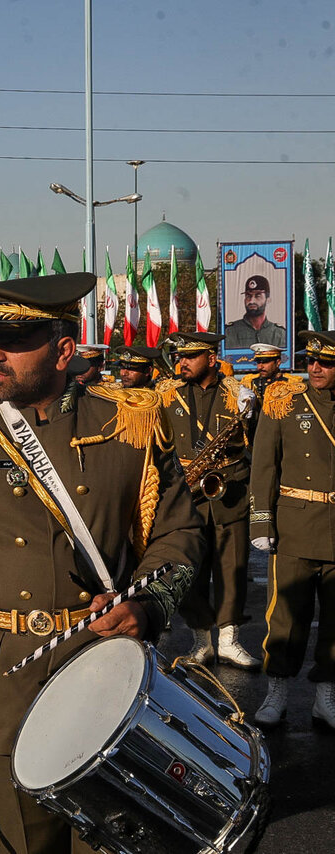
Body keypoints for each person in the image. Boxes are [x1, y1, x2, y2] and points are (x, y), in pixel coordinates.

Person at [0, 272, 204, 854]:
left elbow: (179, 532)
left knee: (110, 838)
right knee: (20, 839)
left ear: (63, 350)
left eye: (10, 343)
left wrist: (148, 605)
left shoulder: (127, 423)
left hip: (101, 669)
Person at [156, 332, 259, 668]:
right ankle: (202, 638)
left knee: (232, 568)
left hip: (228, 491)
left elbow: (257, 445)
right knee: (188, 571)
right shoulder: (166, 394)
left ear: (211, 359)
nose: (181, 363)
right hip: (187, 493)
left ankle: (229, 640)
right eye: (179, 357)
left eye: (190, 356)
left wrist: (251, 414)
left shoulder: (238, 393)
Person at [249, 331, 335, 729]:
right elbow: (264, 463)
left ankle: (325, 696)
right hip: (296, 522)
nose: (315, 368)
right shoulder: (285, 401)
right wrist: (261, 519)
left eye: (326, 362)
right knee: (286, 615)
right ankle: (278, 690)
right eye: (311, 360)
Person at [224, 275, 287, 350]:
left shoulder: (279, 333)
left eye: (258, 296)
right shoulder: (230, 331)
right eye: (248, 296)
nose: (251, 301)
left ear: (268, 299)